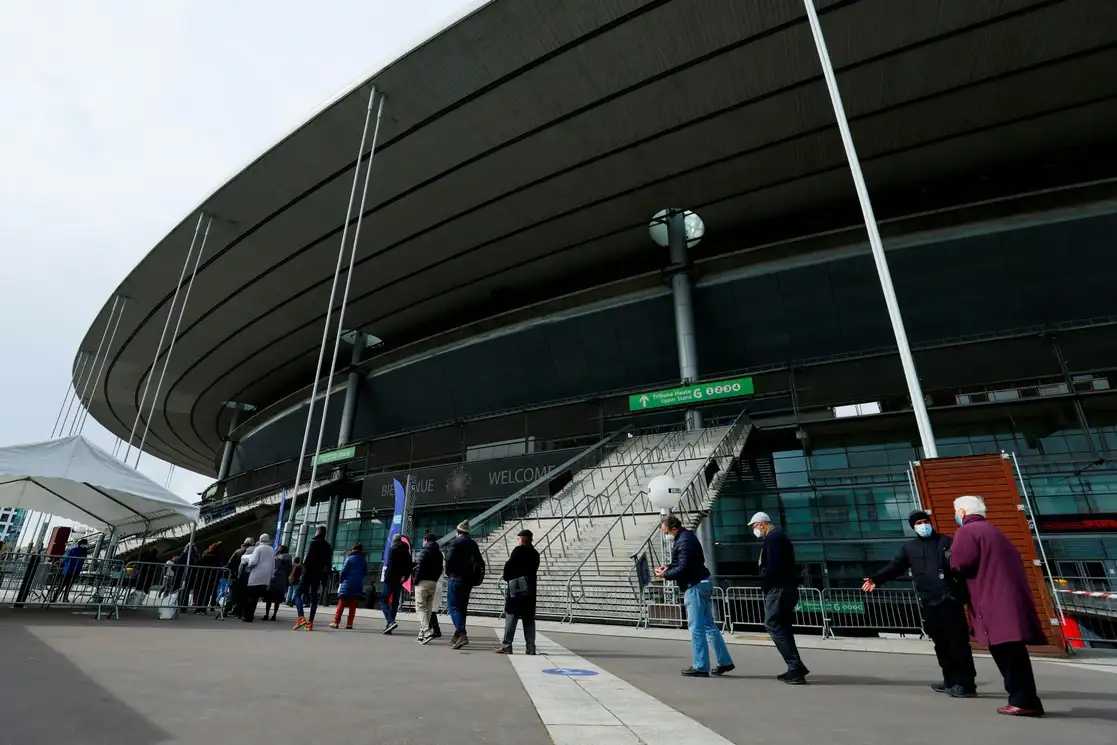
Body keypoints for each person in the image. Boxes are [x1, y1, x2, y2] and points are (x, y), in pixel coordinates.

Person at [950, 495, 1047, 717]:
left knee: (1007, 654)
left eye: (956, 511)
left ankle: (1022, 700)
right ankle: (1026, 699)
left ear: (962, 512)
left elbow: (959, 563)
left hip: (992, 601)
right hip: (1007, 599)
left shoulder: (967, 531)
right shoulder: (993, 531)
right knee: (1015, 653)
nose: (956, 515)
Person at [863, 509, 976, 697]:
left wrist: (964, 594)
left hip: (949, 600)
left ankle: (966, 683)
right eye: (918, 523)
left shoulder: (946, 542)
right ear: (913, 527)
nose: (923, 525)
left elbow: (961, 569)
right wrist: (876, 579)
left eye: (925, 521)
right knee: (941, 644)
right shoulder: (910, 548)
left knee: (958, 643)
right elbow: (895, 566)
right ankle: (949, 679)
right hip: (929, 603)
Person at [654, 516, 734, 676]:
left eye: (666, 532)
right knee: (708, 625)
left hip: (694, 586)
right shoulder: (687, 537)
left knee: (696, 627)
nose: (666, 535)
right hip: (702, 583)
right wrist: (668, 567)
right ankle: (725, 661)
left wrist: (665, 575)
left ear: (673, 528)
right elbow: (688, 562)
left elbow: (683, 567)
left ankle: (701, 666)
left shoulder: (683, 541)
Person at [749, 511, 808, 684]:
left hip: (779, 588)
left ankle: (795, 667)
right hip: (785, 587)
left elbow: (773, 565)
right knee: (782, 626)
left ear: (761, 524)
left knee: (773, 624)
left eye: (754, 525)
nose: (754, 529)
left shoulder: (773, 538)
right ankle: (794, 667)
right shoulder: (778, 536)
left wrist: (766, 582)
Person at [496, 529, 541, 655]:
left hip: (516, 590)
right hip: (530, 591)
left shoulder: (518, 550)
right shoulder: (535, 553)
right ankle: (531, 647)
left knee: (511, 617)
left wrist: (508, 577)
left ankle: (507, 645)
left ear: (521, 539)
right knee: (529, 619)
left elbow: (509, 567)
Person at [444, 520, 485, 650]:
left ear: (458, 532)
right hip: (468, 580)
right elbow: (480, 562)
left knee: (453, 607)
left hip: (456, 578)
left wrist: (448, 573)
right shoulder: (473, 544)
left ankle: (461, 633)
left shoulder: (456, 542)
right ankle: (457, 635)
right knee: (462, 608)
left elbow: (448, 559)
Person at [294, 526, 332, 631]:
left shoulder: (314, 543)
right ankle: (310, 622)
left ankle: (301, 617)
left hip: (308, 572)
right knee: (314, 596)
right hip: (318, 574)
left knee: (297, 593)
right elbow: (328, 563)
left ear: (318, 532)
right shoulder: (327, 546)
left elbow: (307, 560)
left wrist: (304, 572)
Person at [412, 533, 444, 644]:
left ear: (425, 540)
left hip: (423, 582)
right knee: (428, 608)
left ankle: (426, 631)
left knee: (420, 608)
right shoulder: (439, 554)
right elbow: (440, 569)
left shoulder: (424, 552)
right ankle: (421, 635)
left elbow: (419, 568)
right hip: (433, 583)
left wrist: (415, 581)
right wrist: (434, 578)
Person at [331, 543, 368, 629]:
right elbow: (365, 572)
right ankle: (349, 623)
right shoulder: (363, 560)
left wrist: (340, 580)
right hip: (357, 584)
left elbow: (343, 571)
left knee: (342, 603)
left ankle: (336, 622)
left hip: (347, 583)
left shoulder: (349, 559)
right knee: (353, 604)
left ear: (353, 549)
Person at [381, 534, 412, 635]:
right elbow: (409, 567)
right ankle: (389, 625)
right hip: (400, 580)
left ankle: (390, 622)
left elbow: (390, 564)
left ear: (394, 541)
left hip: (390, 578)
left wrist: (385, 576)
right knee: (395, 602)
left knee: (383, 601)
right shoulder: (407, 553)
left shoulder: (393, 550)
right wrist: (404, 577)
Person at [243, 534, 276, 623]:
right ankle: (251, 615)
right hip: (265, 578)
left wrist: (248, 563)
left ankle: (248, 616)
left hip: (255, 576)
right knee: (256, 598)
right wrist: (271, 577)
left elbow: (253, 561)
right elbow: (273, 565)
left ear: (260, 539)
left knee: (250, 597)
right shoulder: (272, 550)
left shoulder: (258, 548)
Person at [226, 537, 254, 619]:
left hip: (235, 576)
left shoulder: (238, 551)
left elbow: (230, 563)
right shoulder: (252, 553)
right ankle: (238, 611)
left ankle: (225, 610)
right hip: (246, 577)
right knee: (242, 595)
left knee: (232, 594)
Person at [266, 544, 293, 622]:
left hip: (274, 579)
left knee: (269, 598)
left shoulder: (276, 557)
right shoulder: (289, 559)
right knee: (278, 599)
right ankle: (274, 615)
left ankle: (267, 614)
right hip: (282, 580)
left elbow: (271, 567)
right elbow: (290, 570)